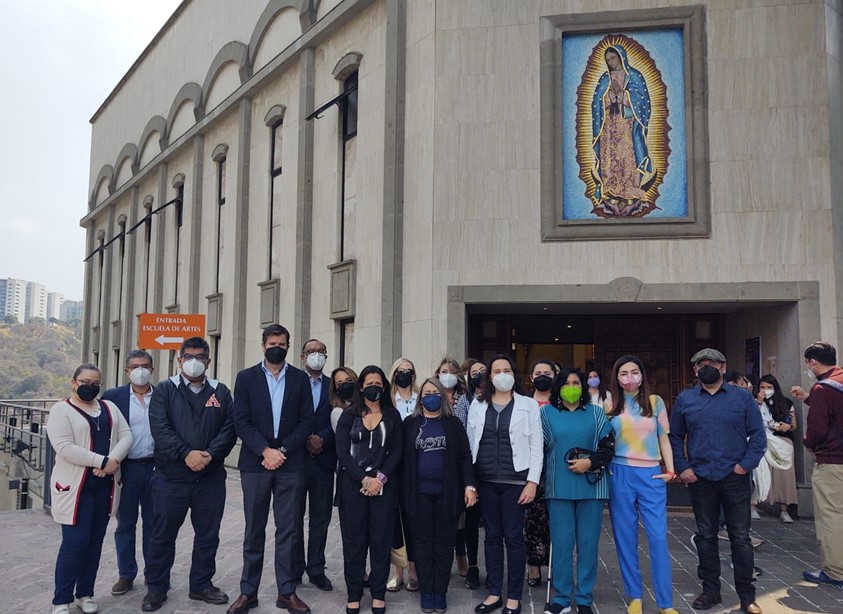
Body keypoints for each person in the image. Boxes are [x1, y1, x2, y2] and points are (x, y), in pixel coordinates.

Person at [142, 337, 237, 612]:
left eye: (200, 356)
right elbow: (159, 428)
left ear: (208, 361)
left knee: (208, 535)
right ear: (179, 360)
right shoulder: (164, 390)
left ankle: (201, 584)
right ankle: (156, 588)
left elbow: (230, 428)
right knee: (162, 535)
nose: (194, 361)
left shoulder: (221, 392)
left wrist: (209, 454)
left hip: (210, 478)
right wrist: (186, 454)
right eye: (188, 356)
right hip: (171, 478)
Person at [669, 348, 766, 614]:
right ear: (695, 370)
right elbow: (675, 436)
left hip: (734, 477)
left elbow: (758, 436)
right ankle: (711, 591)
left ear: (723, 368)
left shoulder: (742, 399)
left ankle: (747, 596)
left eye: (712, 364)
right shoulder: (686, 399)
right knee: (706, 536)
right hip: (700, 477)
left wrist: (744, 466)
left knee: (740, 537)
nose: (706, 368)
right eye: (701, 365)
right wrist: (682, 466)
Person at [228, 325, 315, 614]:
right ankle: (248, 592)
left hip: (291, 464)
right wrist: (265, 451)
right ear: (263, 345)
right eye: (272, 342)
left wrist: (283, 451)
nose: (277, 346)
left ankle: (286, 592)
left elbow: (306, 421)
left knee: (289, 530)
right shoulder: (245, 378)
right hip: (256, 463)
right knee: (254, 529)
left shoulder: (300, 379)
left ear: (289, 346)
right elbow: (240, 420)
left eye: (282, 342)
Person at [48, 364, 133, 614]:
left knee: (95, 542)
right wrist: (102, 461)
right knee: (75, 543)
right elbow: (64, 447)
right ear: (74, 382)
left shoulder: (109, 408)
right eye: (85, 382)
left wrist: (112, 461)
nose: (90, 387)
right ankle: (61, 600)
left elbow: (126, 435)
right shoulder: (61, 411)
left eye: (96, 383)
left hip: (104, 487)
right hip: (75, 488)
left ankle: (85, 594)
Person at [466, 355, 543, 614]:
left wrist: (532, 482)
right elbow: (469, 444)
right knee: (491, 537)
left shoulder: (528, 405)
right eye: (496, 371)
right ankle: (494, 592)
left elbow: (537, 447)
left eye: (506, 370)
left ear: (514, 373)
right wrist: (470, 483)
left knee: (513, 538)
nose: (501, 375)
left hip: (515, 482)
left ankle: (513, 596)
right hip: (486, 481)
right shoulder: (477, 404)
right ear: (489, 377)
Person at [605, 355, 678, 614]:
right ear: (616, 378)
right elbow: (603, 443)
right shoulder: (609, 404)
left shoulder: (654, 402)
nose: (629, 377)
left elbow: (664, 439)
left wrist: (670, 471)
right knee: (625, 538)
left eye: (634, 372)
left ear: (642, 375)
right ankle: (634, 594)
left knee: (658, 537)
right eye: (623, 373)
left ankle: (665, 602)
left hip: (651, 474)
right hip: (619, 473)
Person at [541, 367, 614, 614]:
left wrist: (591, 462)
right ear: (558, 387)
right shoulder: (545, 414)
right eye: (566, 383)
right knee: (561, 544)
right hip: (558, 488)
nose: (571, 387)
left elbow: (608, 447)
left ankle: (583, 598)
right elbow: (536, 448)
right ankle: (562, 597)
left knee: (587, 544)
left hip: (591, 489)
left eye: (576, 382)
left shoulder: (596, 414)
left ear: (583, 386)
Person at [402, 378, 477, 613]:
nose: (431, 396)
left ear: (442, 397)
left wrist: (469, 486)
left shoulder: (453, 424)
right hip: (418, 495)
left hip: (448, 495)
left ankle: (440, 591)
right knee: (422, 544)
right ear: (420, 397)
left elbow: (465, 456)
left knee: (444, 544)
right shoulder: (410, 424)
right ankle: (427, 590)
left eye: (435, 392)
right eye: (427, 392)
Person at [335, 365, 403, 614]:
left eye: (378, 383)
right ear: (361, 386)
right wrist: (364, 480)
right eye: (369, 383)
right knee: (354, 543)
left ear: (384, 387)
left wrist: (379, 479)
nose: (374, 387)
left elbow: (397, 451)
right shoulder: (348, 415)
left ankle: (378, 594)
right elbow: (342, 452)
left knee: (380, 541)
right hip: (353, 488)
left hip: (384, 488)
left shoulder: (392, 415)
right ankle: (354, 594)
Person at [102, 350, 155, 596]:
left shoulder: (163, 395)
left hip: (156, 467)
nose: (140, 370)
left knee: (154, 524)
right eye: (134, 366)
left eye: (144, 366)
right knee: (126, 524)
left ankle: (154, 573)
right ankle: (126, 574)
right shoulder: (113, 397)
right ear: (127, 371)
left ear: (152, 370)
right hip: (127, 469)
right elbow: (102, 431)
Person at [793, 342, 843, 588]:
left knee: (832, 516)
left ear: (813, 362)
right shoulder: (838, 381)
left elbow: (818, 429)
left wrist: (808, 443)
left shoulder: (823, 388)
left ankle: (835, 571)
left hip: (833, 462)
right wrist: (807, 397)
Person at [291, 338, 336, 591]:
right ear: (302, 356)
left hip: (323, 460)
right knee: (293, 517)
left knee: (321, 518)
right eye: (311, 351)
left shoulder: (333, 386)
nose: (316, 355)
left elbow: (340, 417)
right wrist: (305, 438)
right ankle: (295, 569)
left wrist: (323, 438)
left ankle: (316, 569)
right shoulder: (291, 382)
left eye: (320, 351)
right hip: (296, 460)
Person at [386, 357, 419, 592]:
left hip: (417, 466)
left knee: (412, 519)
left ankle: (414, 572)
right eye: (400, 370)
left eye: (409, 371)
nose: (404, 374)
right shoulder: (387, 400)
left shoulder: (421, 399)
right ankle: (397, 572)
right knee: (393, 521)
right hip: (392, 466)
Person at [455, 359, 486, 589]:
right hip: (473, 467)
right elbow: (461, 430)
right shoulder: (465, 401)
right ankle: (473, 566)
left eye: (482, 371)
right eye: (473, 372)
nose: (478, 375)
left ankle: (495, 569)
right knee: (471, 521)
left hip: (497, 468)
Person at [525, 359, 556, 588]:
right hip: (530, 469)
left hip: (556, 468)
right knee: (533, 519)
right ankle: (533, 566)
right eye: (538, 372)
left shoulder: (560, 404)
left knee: (556, 520)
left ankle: (556, 564)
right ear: (531, 378)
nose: (542, 376)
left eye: (547, 372)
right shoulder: (524, 404)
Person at [755, 374, 797, 523]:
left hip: (782, 441)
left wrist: (788, 426)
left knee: (783, 475)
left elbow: (794, 424)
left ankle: (784, 509)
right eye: (762, 387)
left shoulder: (786, 403)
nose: (766, 390)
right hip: (761, 441)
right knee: (759, 473)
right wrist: (759, 401)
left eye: (769, 387)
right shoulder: (754, 402)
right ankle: (753, 505)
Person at [330, 366, 359, 432]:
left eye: (349, 380)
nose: (345, 385)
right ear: (335, 390)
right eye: (339, 384)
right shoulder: (338, 412)